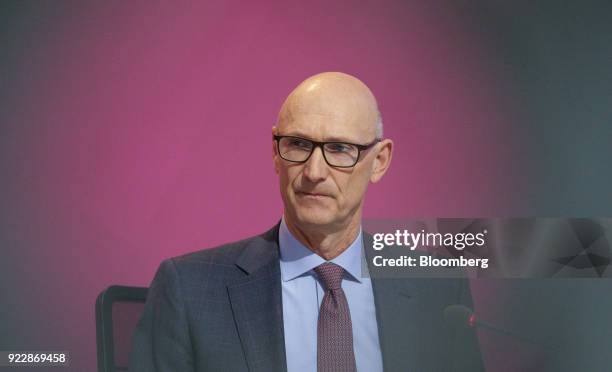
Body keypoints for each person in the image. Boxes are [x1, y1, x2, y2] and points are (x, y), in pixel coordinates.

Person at [129, 72, 483, 372]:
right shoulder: (190, 289)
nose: (314, 172)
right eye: (298, 144)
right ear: (274, 152)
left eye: (340, 149)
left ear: (380, 161)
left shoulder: (438, 289)